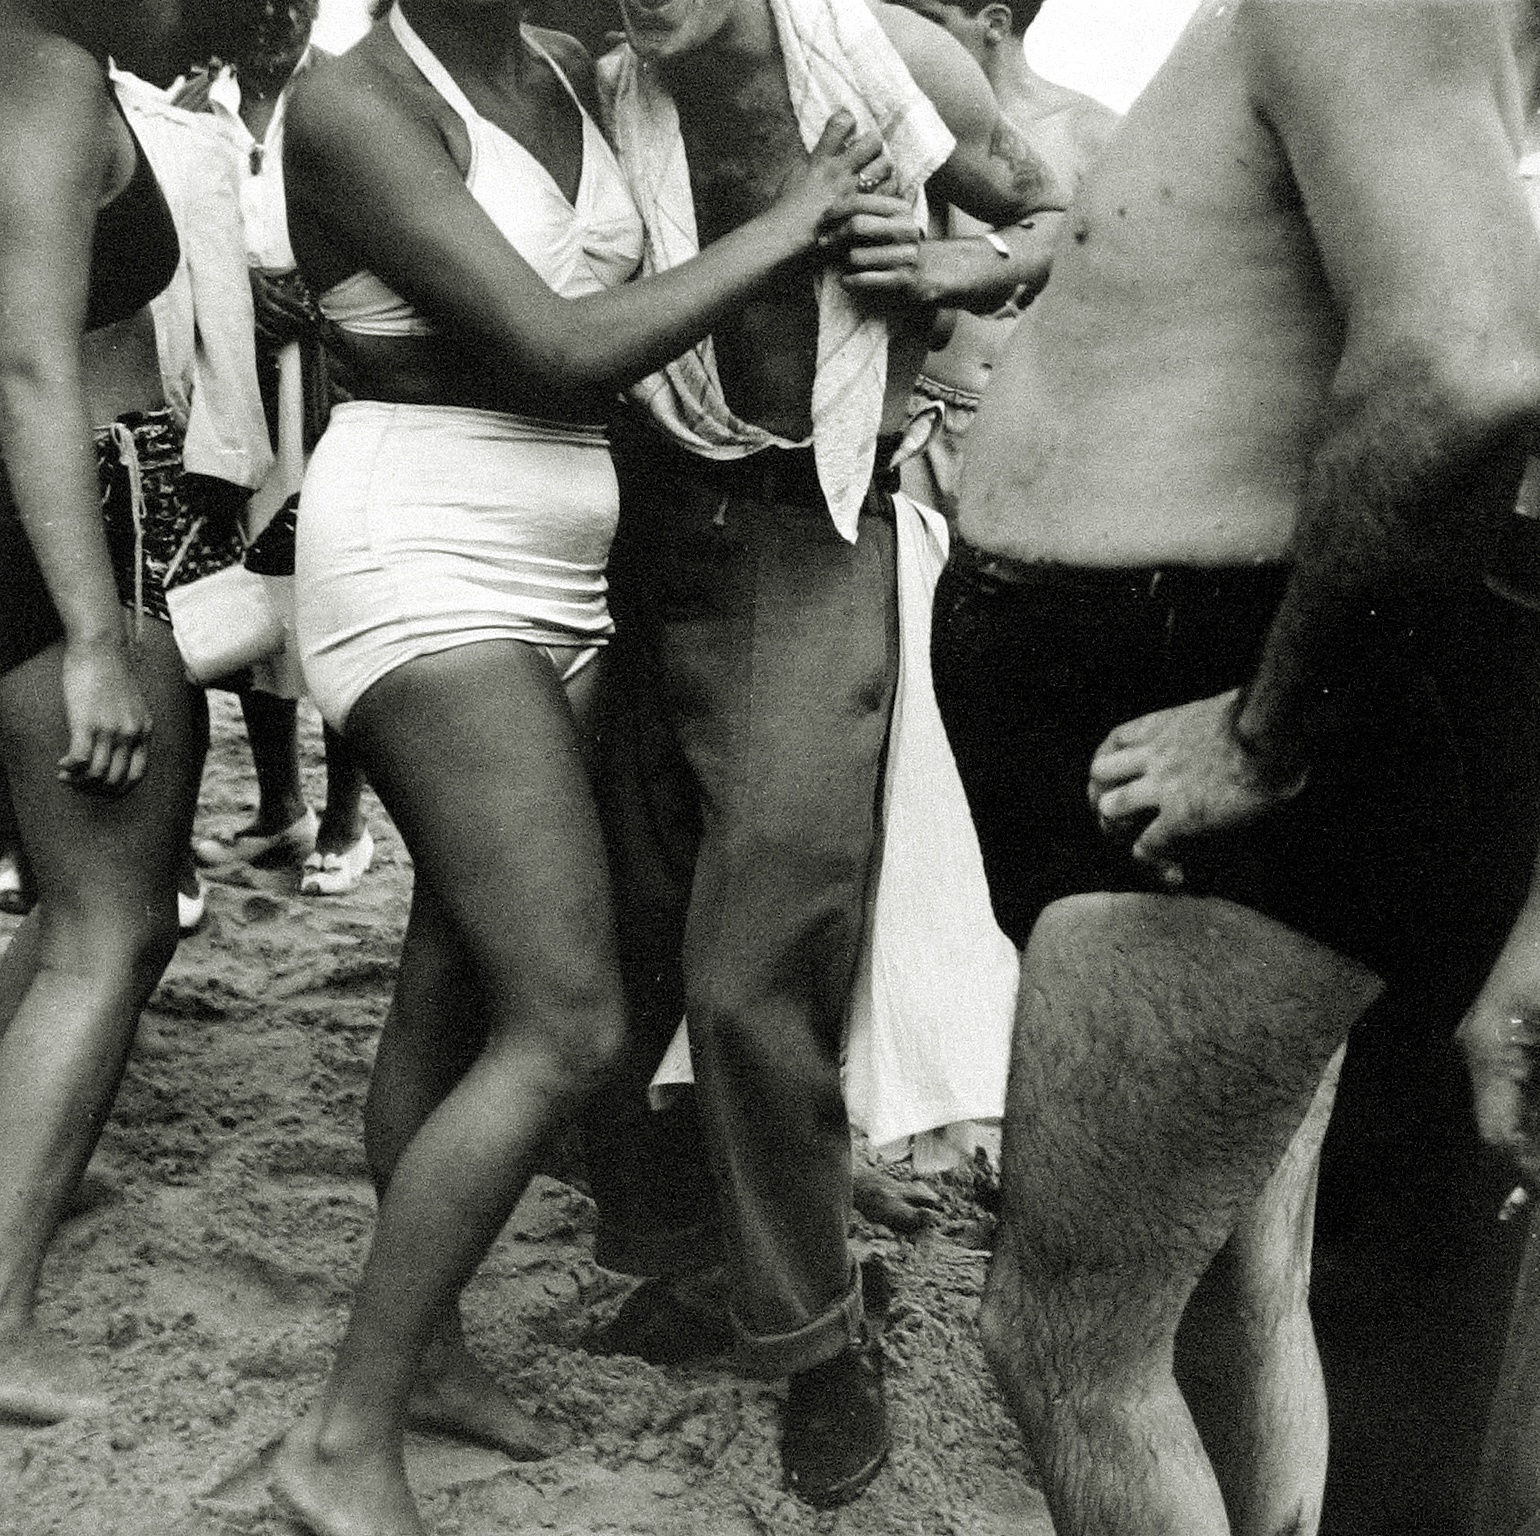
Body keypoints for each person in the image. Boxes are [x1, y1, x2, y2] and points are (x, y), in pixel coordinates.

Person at [263, 3, 903, 1532]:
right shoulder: (354, 102)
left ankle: (429, 1361)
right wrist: (799, 219)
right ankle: (343, 1439)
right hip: (427, 552)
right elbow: (557, 343)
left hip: (570, 555)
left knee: (457, 981)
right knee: (565, 1020)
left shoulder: (564, 69)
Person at [929, 1, 1540, 1532]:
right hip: (1204, 681)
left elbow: (1469, 369)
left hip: (1208, 706)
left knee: (1071, 1353)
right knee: (1233, 1283)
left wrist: (1269, 734)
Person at [576, 0, 1064, 1508]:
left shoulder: (880, 56)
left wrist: (968, 264)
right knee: (633, 938)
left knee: (752, 967)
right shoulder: (595, 87)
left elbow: (1058, 210)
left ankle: (812, 1339)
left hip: (810, 534)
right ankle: (698, 1265)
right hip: (632, 534)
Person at [0, 0, 254, 1425]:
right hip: (81, 525)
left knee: (74, 903)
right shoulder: (39, 71)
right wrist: (95, 630)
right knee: (115, 918)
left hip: (80, 519)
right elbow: (29, 359)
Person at [189, 0, 375, 897]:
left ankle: (348, 817)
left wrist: (316, 295)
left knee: (333, 575)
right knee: (250, 582)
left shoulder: (354, 90)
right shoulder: (191, 100)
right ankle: (280, 808)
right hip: (234, 374)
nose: (272, 15)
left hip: (337, 370)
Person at [889, 0, 1117, 519]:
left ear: (993, 24)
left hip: (1019, 423)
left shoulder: (1092, 135)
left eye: (928, 20)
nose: (906, 34)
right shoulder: (908, 115)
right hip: (908, 412)